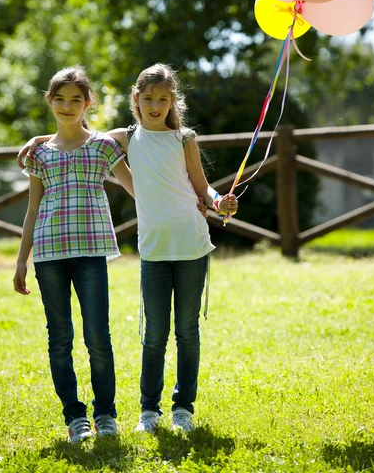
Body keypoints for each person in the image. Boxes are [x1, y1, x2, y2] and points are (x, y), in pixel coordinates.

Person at [17, 62, 238, 434]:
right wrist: (39, 139)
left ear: (172, 102)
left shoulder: (182, 139)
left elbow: (203, 187)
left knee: (186, 332)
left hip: (190, 241)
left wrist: (218, 202)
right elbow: (75, 131)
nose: (155, 105)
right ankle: (146, 411)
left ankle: (180, 409)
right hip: (149, 249)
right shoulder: (122, 137)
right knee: (152, 336)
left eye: (163, 100)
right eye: (148, 98)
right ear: (135, 99)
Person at [13, 65, 135, 444]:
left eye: (76, 100)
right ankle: (75, 417)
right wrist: (22, 259)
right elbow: (33, 209)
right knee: (59, 337)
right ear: (50, 101)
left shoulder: (103, 146)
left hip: (90, 253)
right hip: (49, 254)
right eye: (60, 99)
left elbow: (137, 190)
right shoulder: (40, 153)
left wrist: (186, 204)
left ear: (88, 103)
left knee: (98, 335)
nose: (67, 106)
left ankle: (106, 414)